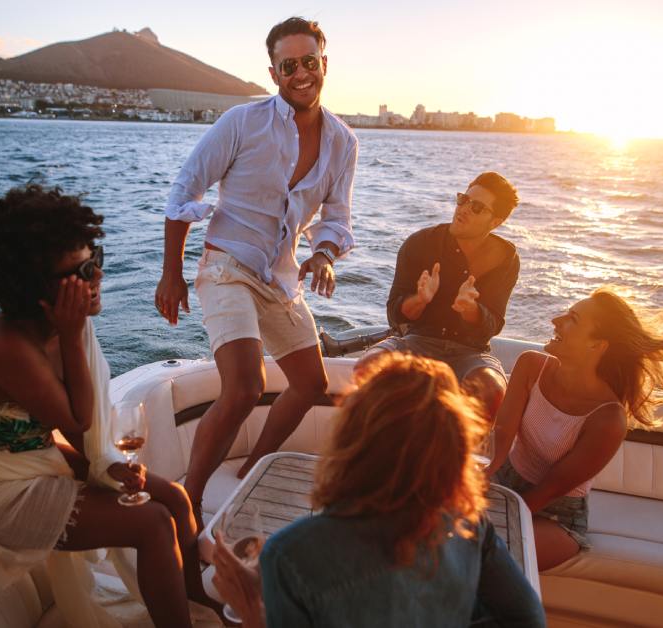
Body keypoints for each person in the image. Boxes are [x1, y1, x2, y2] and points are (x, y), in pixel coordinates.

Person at [0, 184, 216, 628]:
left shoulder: (60, 326)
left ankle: (198, 598)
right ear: (36, 289)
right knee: (152, 523)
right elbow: (80, 423)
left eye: (96, 260)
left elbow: (81, 440)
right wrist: (72, 332)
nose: (98, 276)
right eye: (83, 271)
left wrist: (110, 466)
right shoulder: (6, 346)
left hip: (27, 458)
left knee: (176, 498)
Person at [155, 16, 359, 521]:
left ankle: (256, 467)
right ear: (274, 73)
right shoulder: (242, 123)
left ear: (324, 65)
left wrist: (325, 256)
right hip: (227, 264)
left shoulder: (343, 142)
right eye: (288, 65)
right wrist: (172, 273)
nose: (300, 73)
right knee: (244, 386)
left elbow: (336, 218)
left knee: (311, 383)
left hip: (281, 278)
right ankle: (190, 499)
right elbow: (185, 191)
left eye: (309, 62)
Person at [211, 352, 546, 627]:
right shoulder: (471, 525)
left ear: (354, 438)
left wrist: (252, 610)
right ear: (451, 449)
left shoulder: (288, 556)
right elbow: (528, 620)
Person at [488, 287, 663, 571]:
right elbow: (501, 436)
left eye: (572, 319)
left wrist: (490, 515)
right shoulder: (530, 366)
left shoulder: (608, 419)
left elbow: (551, 488)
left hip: (553, 514)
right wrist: (475, 484)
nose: (556, 320)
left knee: (487, 554)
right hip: (504, 484)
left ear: (597, 345)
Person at [359, 172, 520, 418]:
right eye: (463, 199)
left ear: (495, 221)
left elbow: (493, 324)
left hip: (471, 351)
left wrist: (471, 311)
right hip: (417, 340)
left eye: (476, 207)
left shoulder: (505, 258)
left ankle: (460, 455)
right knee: (368, 367)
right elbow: (395, 315)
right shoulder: (421, 243)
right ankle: (373, 450)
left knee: (490, 390)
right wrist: (420, 301)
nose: (464, 209)